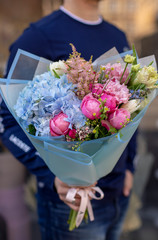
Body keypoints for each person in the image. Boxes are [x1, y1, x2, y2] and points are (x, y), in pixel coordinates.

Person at [0, 0, 137, 239]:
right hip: (69, 202)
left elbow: (132, 109)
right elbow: (6, 120)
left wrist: (129, 166)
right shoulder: (38, 38)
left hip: (118, 194)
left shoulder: (117, 35)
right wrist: (51, 175)